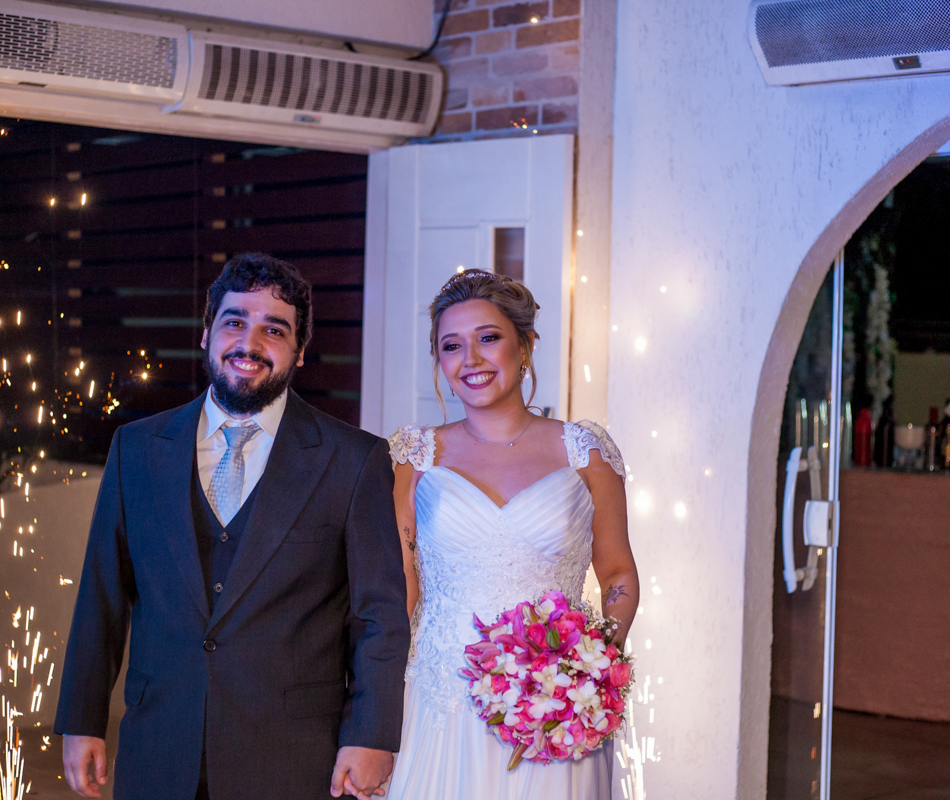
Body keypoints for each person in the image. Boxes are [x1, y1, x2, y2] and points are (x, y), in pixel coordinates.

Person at [53, 253, 410, 799]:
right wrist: (81, 718)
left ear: (299, 351)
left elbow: (378, 615)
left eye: (275, 329)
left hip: (290, 752)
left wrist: (372, 735)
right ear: (206, 334)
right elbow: (101, 595)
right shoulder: (138, 448)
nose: (251, 343)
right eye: (235, 322)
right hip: (159, 743)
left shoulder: (354, 459)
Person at [384, 270, 640, 799]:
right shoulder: (414, 457)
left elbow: (617, 572)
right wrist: (376, 708)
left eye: (489, 338)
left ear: (524, 347)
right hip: (440, 701)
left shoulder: (586, 452)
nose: (470, 359)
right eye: (452, 345)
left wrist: (586, 674)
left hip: (553, 710)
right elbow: (401, 587)